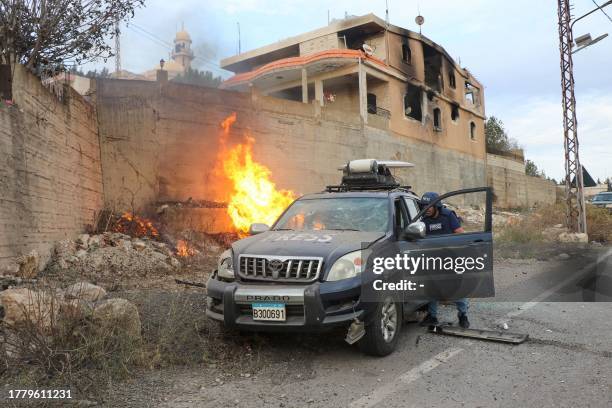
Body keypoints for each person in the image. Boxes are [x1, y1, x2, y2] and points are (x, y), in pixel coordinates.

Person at [418, 191, 470, 329]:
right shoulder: (423, 221)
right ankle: (432, 316)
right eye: (424, 206)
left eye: (429, 206)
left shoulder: (448, 216)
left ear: (437, 206)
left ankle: (463, 315)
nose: (427, 208)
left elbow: (460, 234)